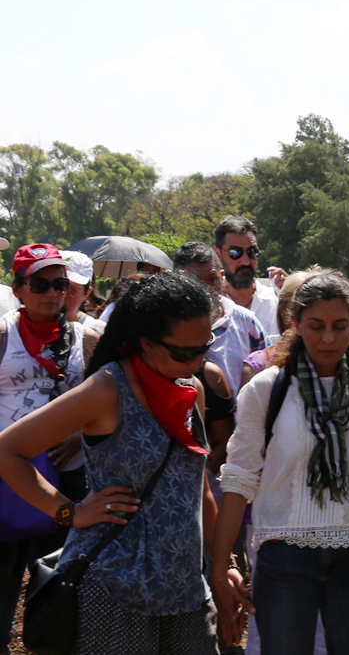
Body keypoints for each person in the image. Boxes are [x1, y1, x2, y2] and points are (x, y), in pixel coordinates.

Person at [0, 271, 225, 653]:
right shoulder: (106, 389)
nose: (198, 361)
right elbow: (8, 450)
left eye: (205, 347)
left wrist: (224, 567)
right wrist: (69, 513)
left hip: (187, 594)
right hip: (114, 592)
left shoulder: (194, 390)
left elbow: (198, 488)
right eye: (184, 353)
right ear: (146, 344)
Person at [212, 271, 349, 654]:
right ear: (295, 322)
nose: (328, 338)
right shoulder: (266, 389)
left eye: (340, 326)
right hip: (283, 558)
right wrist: (221, 570)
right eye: (316, 325)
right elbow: (237, 482)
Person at [0, 244, 99, 651]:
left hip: (67, 475)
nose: (53, 293)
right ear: (18, 288)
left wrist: (79, 434)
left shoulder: (89, 338)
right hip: (8, 476)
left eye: (60, 284)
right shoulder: (3, 334)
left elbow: (106, 402)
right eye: (40, 283)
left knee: (63, 580)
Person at [174, 242, 267, 398]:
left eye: (211, 279)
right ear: (177, 282)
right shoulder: (167, 328)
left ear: (222, 277)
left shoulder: (247, 323)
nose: (204, 289)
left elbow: (269, 370)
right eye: (194, 281)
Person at [214, 215, 279, 338]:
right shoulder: (210, 307)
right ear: (218, 254)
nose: (246, 261)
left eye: (252, 252)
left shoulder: (277, 302)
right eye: (235, 253)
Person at [60, 250, 107, 335]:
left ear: (86, 293)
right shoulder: (29, 329)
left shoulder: (98, 331)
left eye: (72, 288)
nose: (63, 293)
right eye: (58, 284)